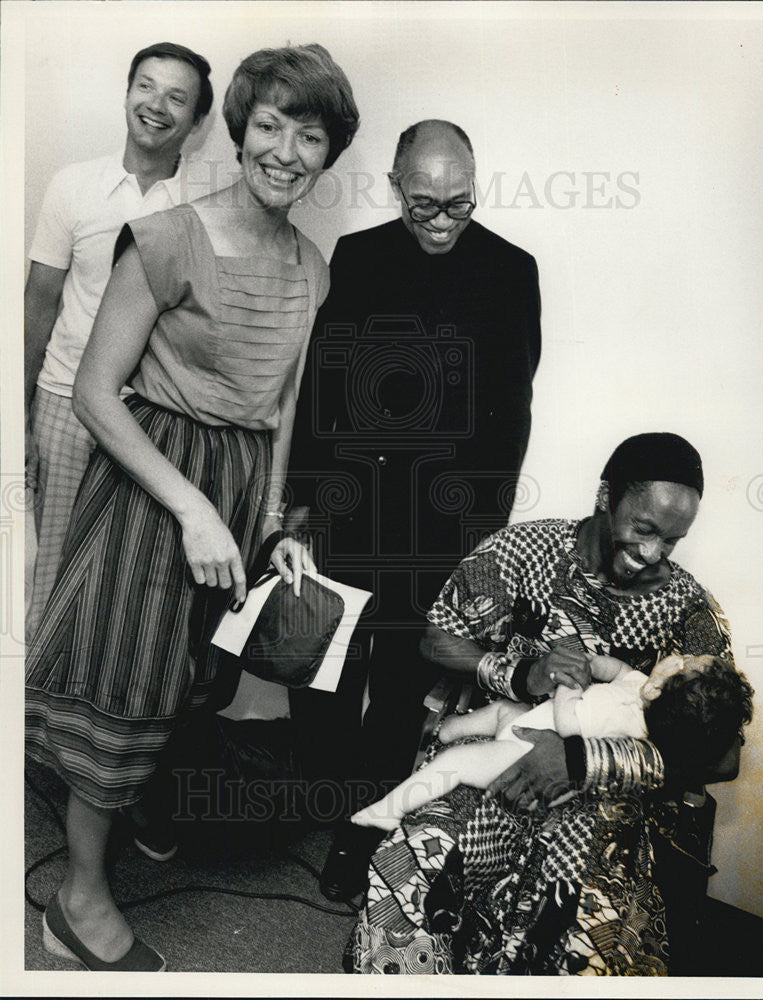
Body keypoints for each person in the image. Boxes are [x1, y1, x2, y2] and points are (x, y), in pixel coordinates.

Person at [25, 44, 359, 972]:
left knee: (184, 687)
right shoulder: (169, 236)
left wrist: (268, 524)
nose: (287, 151)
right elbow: (96, 391)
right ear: (240, 129)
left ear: (330, 151)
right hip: (152, 481)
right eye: (270, 126)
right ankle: (78, 905)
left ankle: (112, 839)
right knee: (119, 685)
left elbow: (283, 404)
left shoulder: (315, 269)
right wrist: (190, 510)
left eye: (311, 133)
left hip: (237, 489)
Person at [347, 432, 750, 975]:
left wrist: (582, 763)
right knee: (421, 870)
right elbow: (435, 638)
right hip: (496, 761)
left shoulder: (688, 609)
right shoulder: (523, 552)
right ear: (606, 497)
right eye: (644, 529)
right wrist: (519, 673)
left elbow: (723, 757)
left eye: (671, 541)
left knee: (586, 940)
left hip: (610, 804)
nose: (652, 553)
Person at [285, 118, 542, 899]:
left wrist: (481, 547)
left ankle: (360, 834)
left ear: (476, 184)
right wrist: (300, 499)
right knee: (320, 671)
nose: (439, 220)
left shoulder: (511, 270)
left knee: (399, 685)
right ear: (395, 186)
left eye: (457, 203)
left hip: (438, 526)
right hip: (349, 504)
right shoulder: (359, 255)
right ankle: (327, 794)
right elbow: (323, 389)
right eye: (422, 203)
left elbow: (512, 416)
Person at [25, 42, 214, 638]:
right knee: (47, 571)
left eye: (176, 97)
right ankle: (28, 715)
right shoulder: (72, 187)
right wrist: (19, 418)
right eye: (145, 87)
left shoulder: (205, 207)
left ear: (197, 121)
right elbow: (38, 306)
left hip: (153, 421)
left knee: (125, 581)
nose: (156, 105)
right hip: (63, 405)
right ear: (127, 93)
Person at [351, 653, 752, 830]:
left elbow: (570, 731)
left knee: (457, 762)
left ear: (657, 693)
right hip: (528, 721)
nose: (681, 655)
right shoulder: (640, 685)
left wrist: (569, 690)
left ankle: (390, 808)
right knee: (502, 710)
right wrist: (591, 664)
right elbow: (618, 670)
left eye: (685, 663)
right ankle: (447, 728)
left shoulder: (623, 724)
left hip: (528, 750)